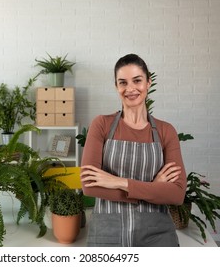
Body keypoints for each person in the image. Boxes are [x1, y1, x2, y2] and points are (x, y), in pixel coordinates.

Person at [80, 53, 187, 247]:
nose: (130, 89)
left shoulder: (165, 131)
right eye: (122, 83)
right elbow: (89, 186)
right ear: (116, 87)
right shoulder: (101, 125)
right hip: (107, 233)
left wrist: (117, 182)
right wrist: (153, 188)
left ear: (148, 83)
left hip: (157, 234)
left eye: (137, 80)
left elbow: (177, 194)